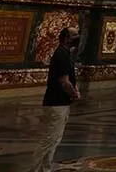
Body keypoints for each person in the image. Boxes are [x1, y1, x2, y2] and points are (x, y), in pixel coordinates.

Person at [29, 27, 81, 172]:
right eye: (75, 35)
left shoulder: (65, 54)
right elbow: (64, 81)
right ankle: (33, 169)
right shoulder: (61, 55)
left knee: (54, 139)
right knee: (49, 139)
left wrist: (75, 89)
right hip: (56, 102)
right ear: (65, 38)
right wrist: (74, 94)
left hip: (60, 102)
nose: (78, 37)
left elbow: (69, 78)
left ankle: (45, 168)